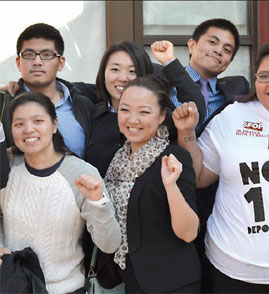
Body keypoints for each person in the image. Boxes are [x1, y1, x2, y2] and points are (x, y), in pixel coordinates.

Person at [173, 41, 269, 293]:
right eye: (264, 76)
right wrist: (187, 133)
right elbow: (200, 177)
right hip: (232, 267)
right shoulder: (232, 116)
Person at [0, 92, 120, 293]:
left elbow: (109, 244)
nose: (28, 129)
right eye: (19, 124)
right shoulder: (7, 170)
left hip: (66, 289)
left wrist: (99, 203)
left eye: (38, 121)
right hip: (14, 287)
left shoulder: (82, 173)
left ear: (55, 124)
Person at [96, 76, 201, 293]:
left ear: (162, 116)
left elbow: (189, 232)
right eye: (125, 110)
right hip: (132, 281)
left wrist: (171, 186)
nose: (132, 119)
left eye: (144, 112)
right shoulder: (115, 160)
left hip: (173, 283)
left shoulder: (173, 158)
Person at [84, 40, 205, 178]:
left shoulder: (160, 117)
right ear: (103, 75)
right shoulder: (92, 113)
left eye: (132, 71)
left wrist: (169, 62)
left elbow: (196, 109)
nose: (123, 78)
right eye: (115, 70)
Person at [1, 23, 94, 158]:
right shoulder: (4, 105)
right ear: (18, 62)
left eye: (46, 54)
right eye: (29, 54)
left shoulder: (82, 102)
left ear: (61, 63)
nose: (37, 61)